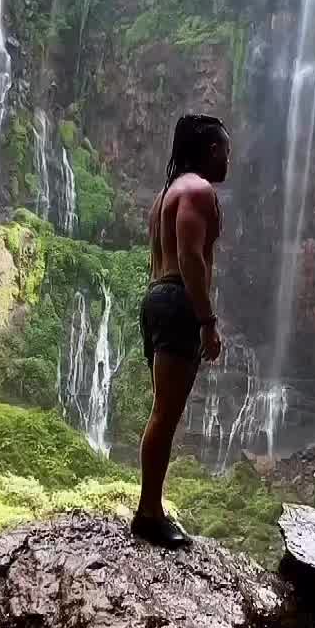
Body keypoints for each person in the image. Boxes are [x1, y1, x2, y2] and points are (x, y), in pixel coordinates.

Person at [132, 113, 230, 548]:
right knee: (165, 414)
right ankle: (149, 513)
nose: (228, 158)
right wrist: (207, 322)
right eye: (225, 150)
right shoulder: (196, 190)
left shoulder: (165, 196)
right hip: (177, 302)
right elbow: (191, 258)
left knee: (163, 411)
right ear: (211, 150)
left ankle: (150, 508)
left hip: (157, 298)